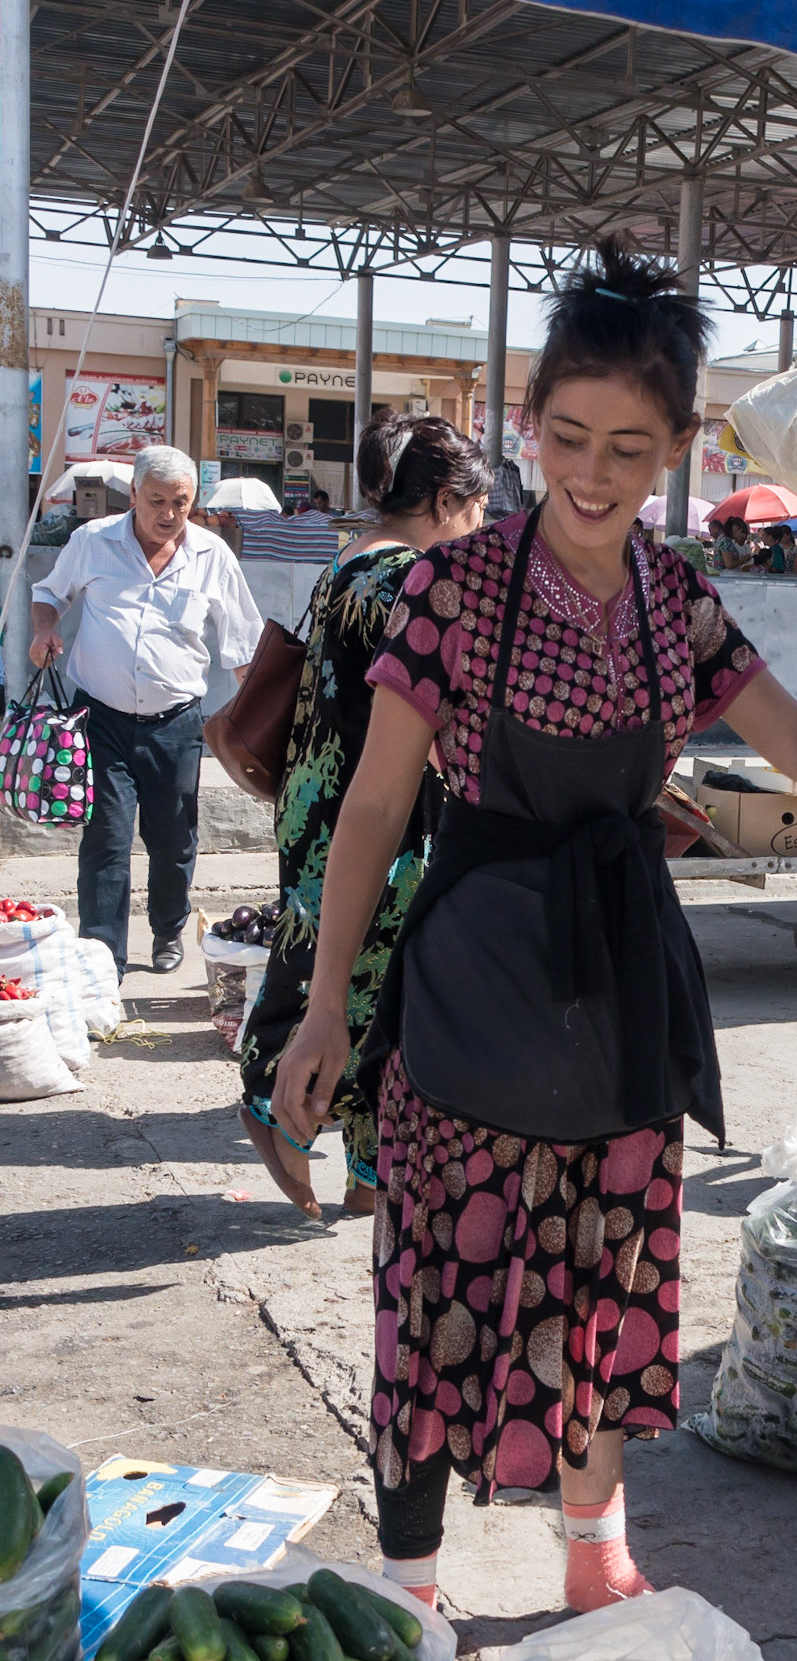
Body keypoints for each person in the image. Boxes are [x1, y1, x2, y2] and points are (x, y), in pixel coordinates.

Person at [270, 238, 797, 1613]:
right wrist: (327, 1005)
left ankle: (592, 1550)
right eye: (568, 436)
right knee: (438, 1274)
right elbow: (377, 813)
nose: (594, 471)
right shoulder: (449, 592)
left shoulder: (678, 598)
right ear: (528, 426)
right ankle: (414, 1577)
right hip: (469, 988)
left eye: (630, 445)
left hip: (622, 991)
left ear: (679, 445)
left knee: (608, 1278)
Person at [239, 413, 492, 1221]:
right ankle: (273, 1099)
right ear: (448, 499)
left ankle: (366, 1170)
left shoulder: (352, 558)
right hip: (372, 813)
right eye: (478, 510)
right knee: (360, 982)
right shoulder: (407, 581)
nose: (481, 528)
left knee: (366, 984)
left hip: (320, 798)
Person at [28, 445, 262, 979]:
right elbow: (49, 592)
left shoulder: (211, 555)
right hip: (100, 720)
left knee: (174, 839)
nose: (168, 514)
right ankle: (101, 955)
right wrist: (45, 627)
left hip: (176, 723)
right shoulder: (93, 541)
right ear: (133, 494)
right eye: (156, 500)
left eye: (180, 502)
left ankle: (166, 931)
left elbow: (242, 646)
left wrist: (255, 720)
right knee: (107, 838)